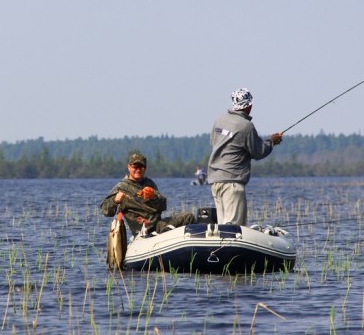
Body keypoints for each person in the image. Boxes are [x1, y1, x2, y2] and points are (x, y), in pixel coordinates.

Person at [207, 88, 283, 226]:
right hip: (232, 182)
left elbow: (214, 142)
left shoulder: (219, 120)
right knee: (232, 227)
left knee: (222, 225)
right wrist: (272, 141)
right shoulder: (246, 126)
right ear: (248, 105)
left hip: (215, 179)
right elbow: (258, 152)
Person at [101, 153, 196, 236]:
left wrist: (154, 197)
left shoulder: (149, 183)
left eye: (141, 167)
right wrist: (115, 200)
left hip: (158, 224)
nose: (138, 170)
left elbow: (163, 206)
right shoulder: (121, 187)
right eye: (135, 166)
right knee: (187, 218)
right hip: (143, 230)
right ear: (129, 167)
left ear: (145, 168)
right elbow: (105, 210)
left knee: (190, 217)